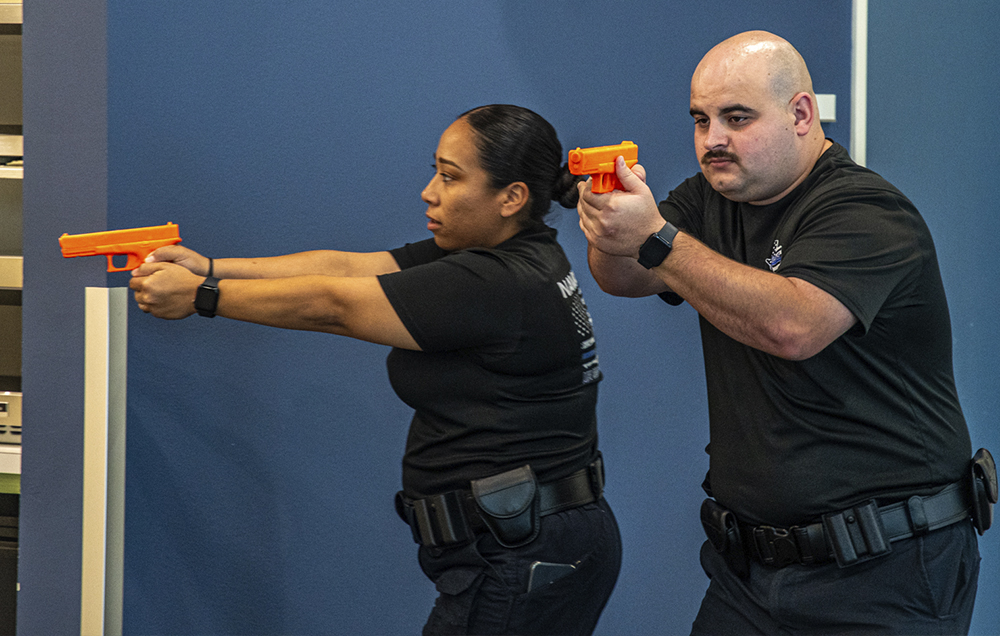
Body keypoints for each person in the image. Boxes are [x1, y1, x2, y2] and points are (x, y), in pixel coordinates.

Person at [130, 104, 621, 635]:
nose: (429, 192)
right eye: (435, 171)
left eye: (450, 177)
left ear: (511, 197)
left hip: (523, 554)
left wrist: (204, 296)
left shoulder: (497, 281)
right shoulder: (502, 256)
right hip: (529, 541)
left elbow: (334, 305)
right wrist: (208, 268)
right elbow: (346, 268)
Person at [577, 31, 987, 634]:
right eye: (701, 119)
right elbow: (624, 276)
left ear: (800, 114)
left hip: (885, 570)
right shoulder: (710, 197)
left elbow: (793, 326)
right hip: (750, 570)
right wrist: (610, 225)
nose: (713, 139)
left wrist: (656, 238)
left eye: (737, 118)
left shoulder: (866, 210)